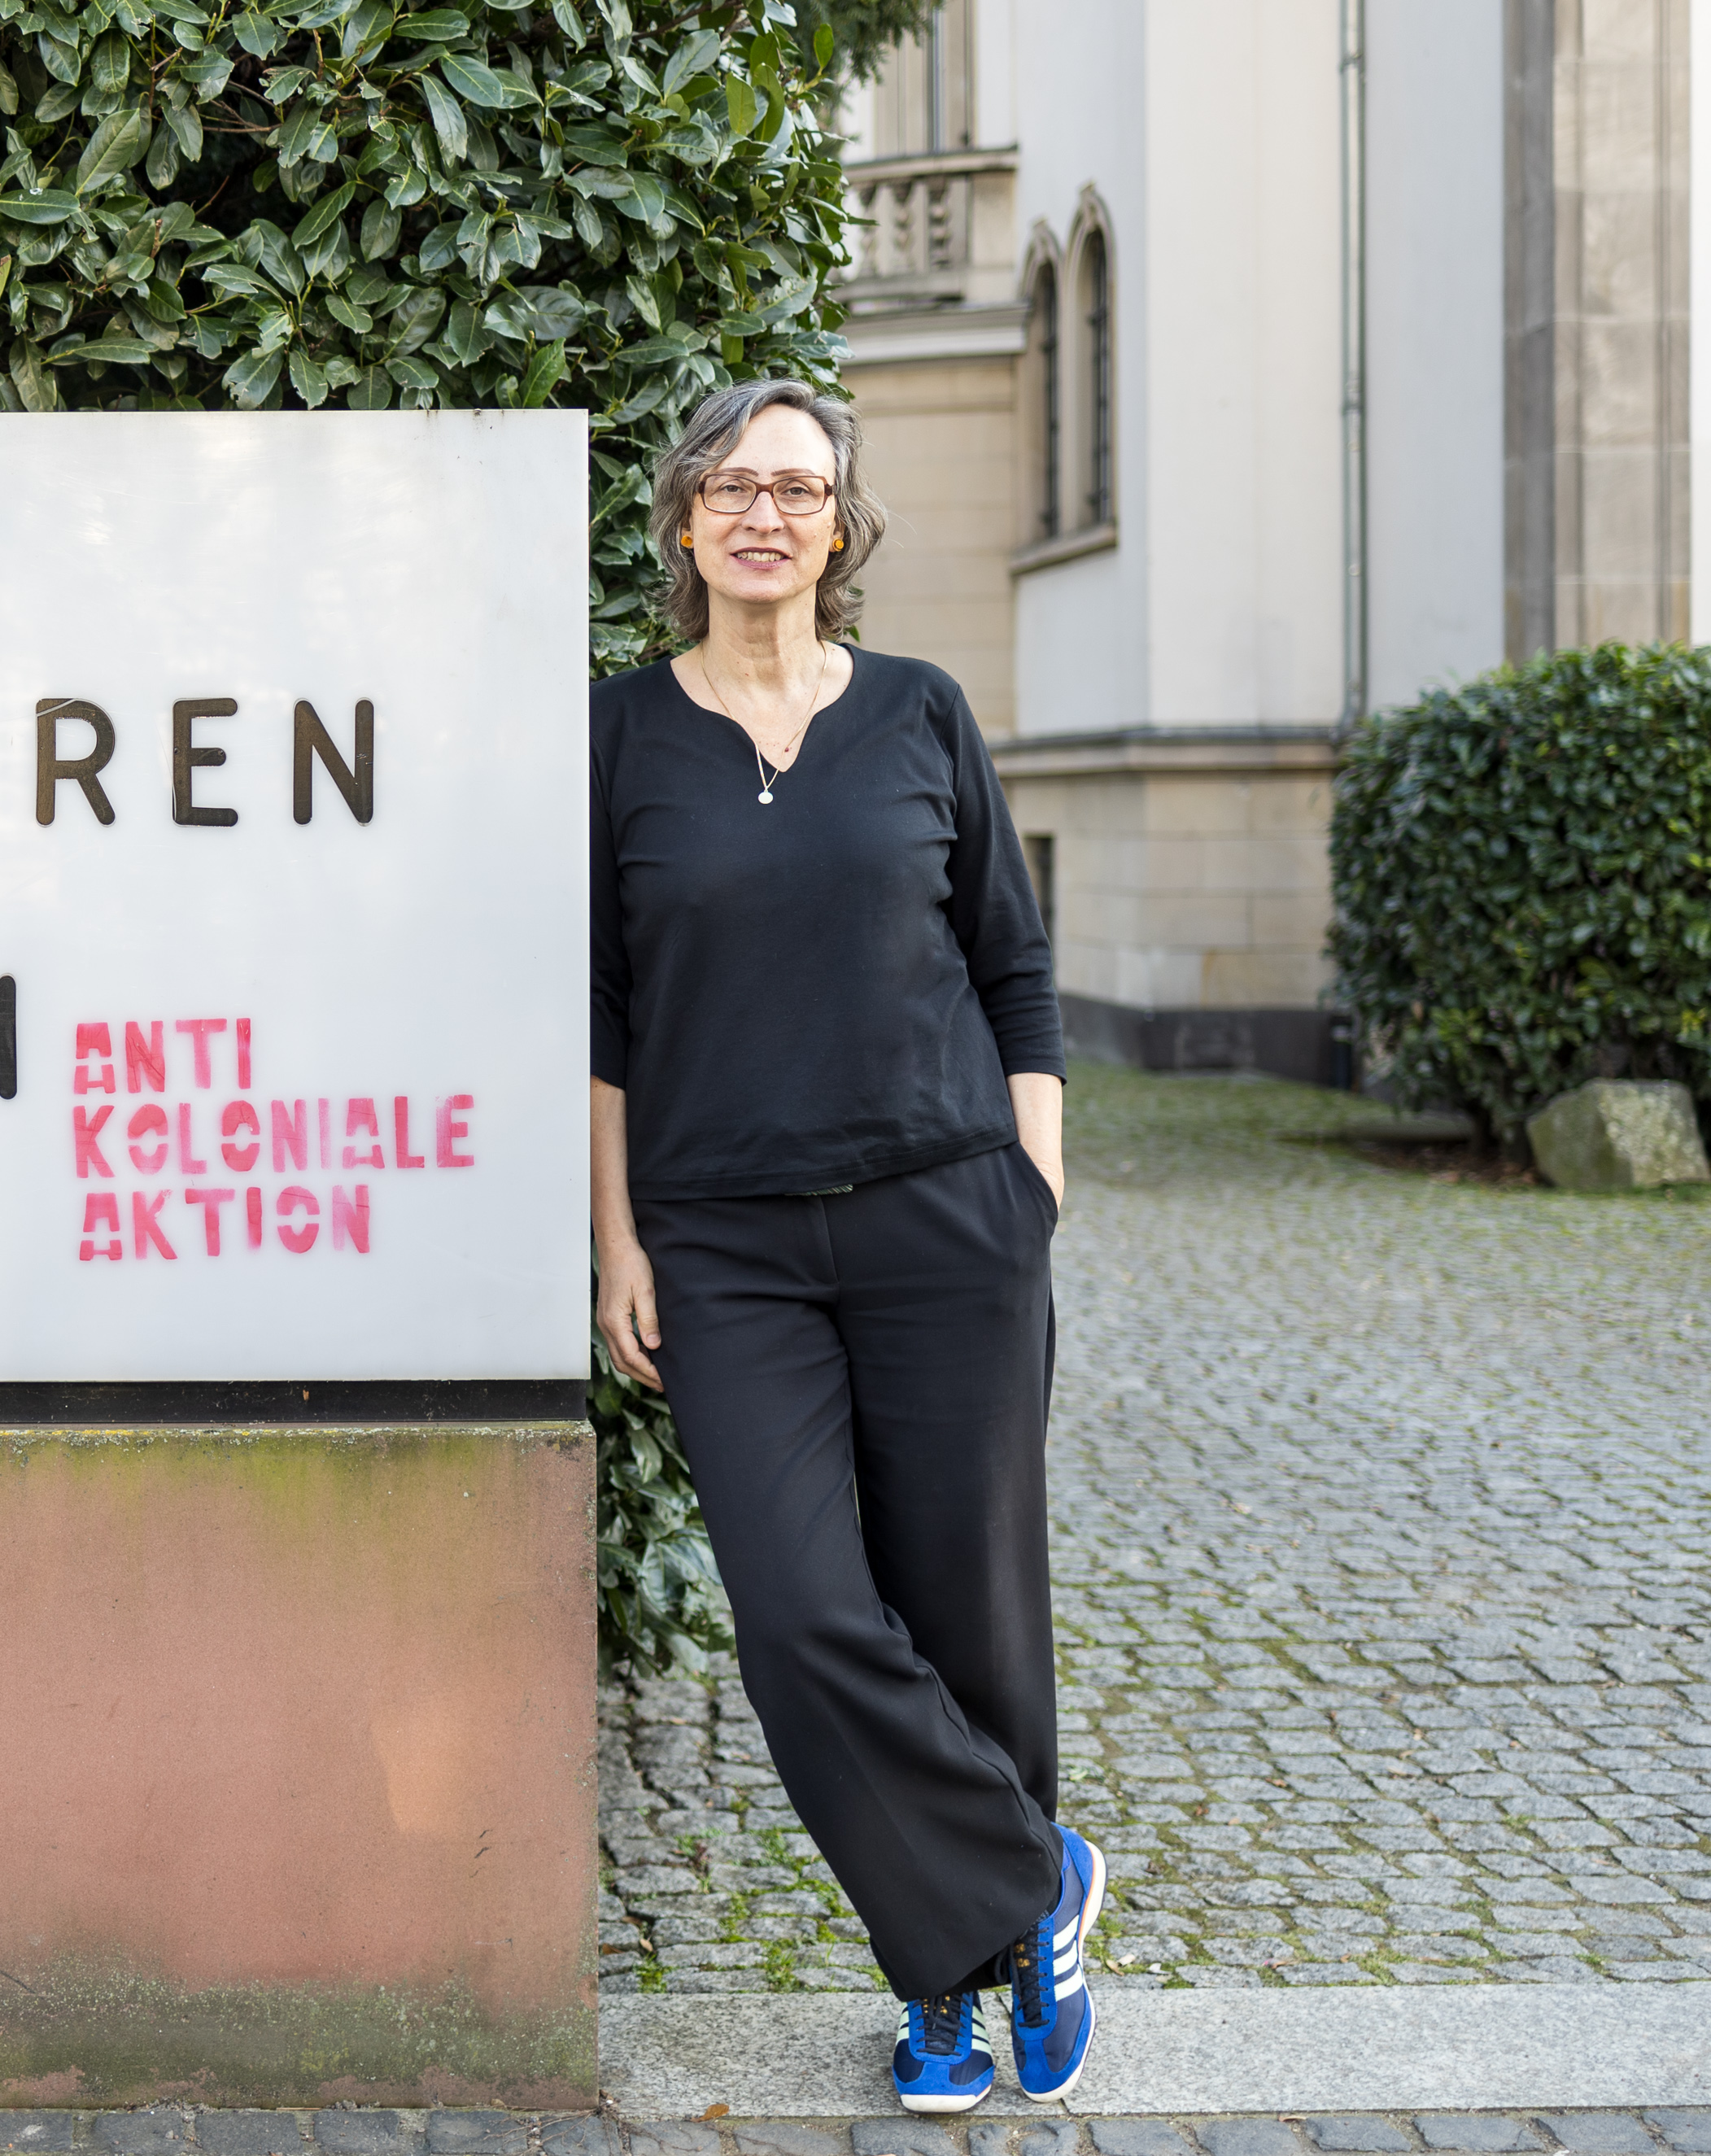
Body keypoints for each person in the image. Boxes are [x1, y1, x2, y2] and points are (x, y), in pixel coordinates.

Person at [587, 378, 1102, 2114]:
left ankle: (946, 1984)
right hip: (724, 1242)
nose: (762, 512)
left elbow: (1011, 966)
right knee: (803, 1614)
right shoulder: (619, 736)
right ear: (680, 520)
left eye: (796, 488)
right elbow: (598, 1016)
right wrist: (617, 1239)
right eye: (730, 483)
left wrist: (1032, 1186)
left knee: (968, 1600)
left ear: (837, 524)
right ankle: (1033, 1881)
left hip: (945, 1218)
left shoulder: (915, 713)